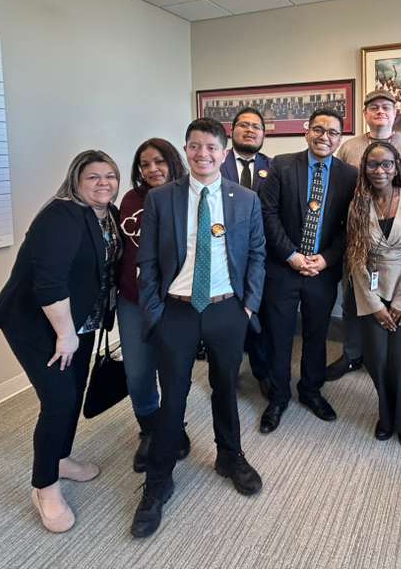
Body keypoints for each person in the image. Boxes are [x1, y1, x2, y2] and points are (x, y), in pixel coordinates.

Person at [131, 118, 266, 539]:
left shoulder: (245, 199)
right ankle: (158, 481)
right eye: (194, 146)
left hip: (227, 309)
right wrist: (154, 312)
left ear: (223, 153)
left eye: (210, 147)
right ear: (185, 150)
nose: (202, 154)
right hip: (177, 310)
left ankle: (230, 455)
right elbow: (147, 261)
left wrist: (248, 307)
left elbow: (257, 254)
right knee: (173, 397)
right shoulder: (161, 198)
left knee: (225, 387)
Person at [0, 150, 122, 533]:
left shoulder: (107, 215)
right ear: (75, 181)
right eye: (93, 176)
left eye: (110, 175)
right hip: (39, 326)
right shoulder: (60, 216)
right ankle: (44, 487)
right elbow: (49, 282)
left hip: (80, 323)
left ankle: (60, 458)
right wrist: (64, 335)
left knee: (73, 394)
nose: (103, 183)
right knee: (59, 400)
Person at [257, 108, 356, 434]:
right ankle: (278, 396)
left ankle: (311, 390)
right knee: (279, 334)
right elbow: (267, 213)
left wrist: (327, 259)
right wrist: (291, 255)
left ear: (339, 139)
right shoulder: (282, 165)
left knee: (317, 333)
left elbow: (349, 225)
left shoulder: (349, 175)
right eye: (318, 129)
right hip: (283, 268)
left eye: (332, 132)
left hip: (321, 271)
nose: (324, 137)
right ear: (307, 131)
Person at [326, 89, 401, 384]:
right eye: (373, 107)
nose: (380, 111)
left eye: (386, 107)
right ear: (365, 114)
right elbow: (339, 190)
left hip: (400, 240)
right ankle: (353, 354)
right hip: (360, 236)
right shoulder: (349, 148)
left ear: (396, 113)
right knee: (353, 299)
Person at [347, 140, 401, 446]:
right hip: (371, 290)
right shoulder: (358, 205)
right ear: (364, 168)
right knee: (378, 359)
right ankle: (385, 411)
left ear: (396, 168)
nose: (379, 170)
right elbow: (356, 257)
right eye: (373, 164)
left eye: (386, 164)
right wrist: (375, 304)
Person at [117, 138, 190, 474]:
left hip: (174, 301)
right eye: (144, 164)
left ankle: (173, 426)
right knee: (137, 371)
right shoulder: (131, 200)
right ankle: (149, 429)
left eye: (159, 161)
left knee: (173, 370)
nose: (152, 169)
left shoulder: (189, 197)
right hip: (132, 300)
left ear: (173, 161)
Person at [219, 106, 273, 397]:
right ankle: (226, 373)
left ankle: (262, 372)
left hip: (259, 256)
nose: (250, 130)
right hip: (223, 257)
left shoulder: (273, 167)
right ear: (232, 130)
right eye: (244, 125)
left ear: (264, 134)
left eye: (256, 127)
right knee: (226, 320)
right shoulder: (217, 162)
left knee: (258, 317)